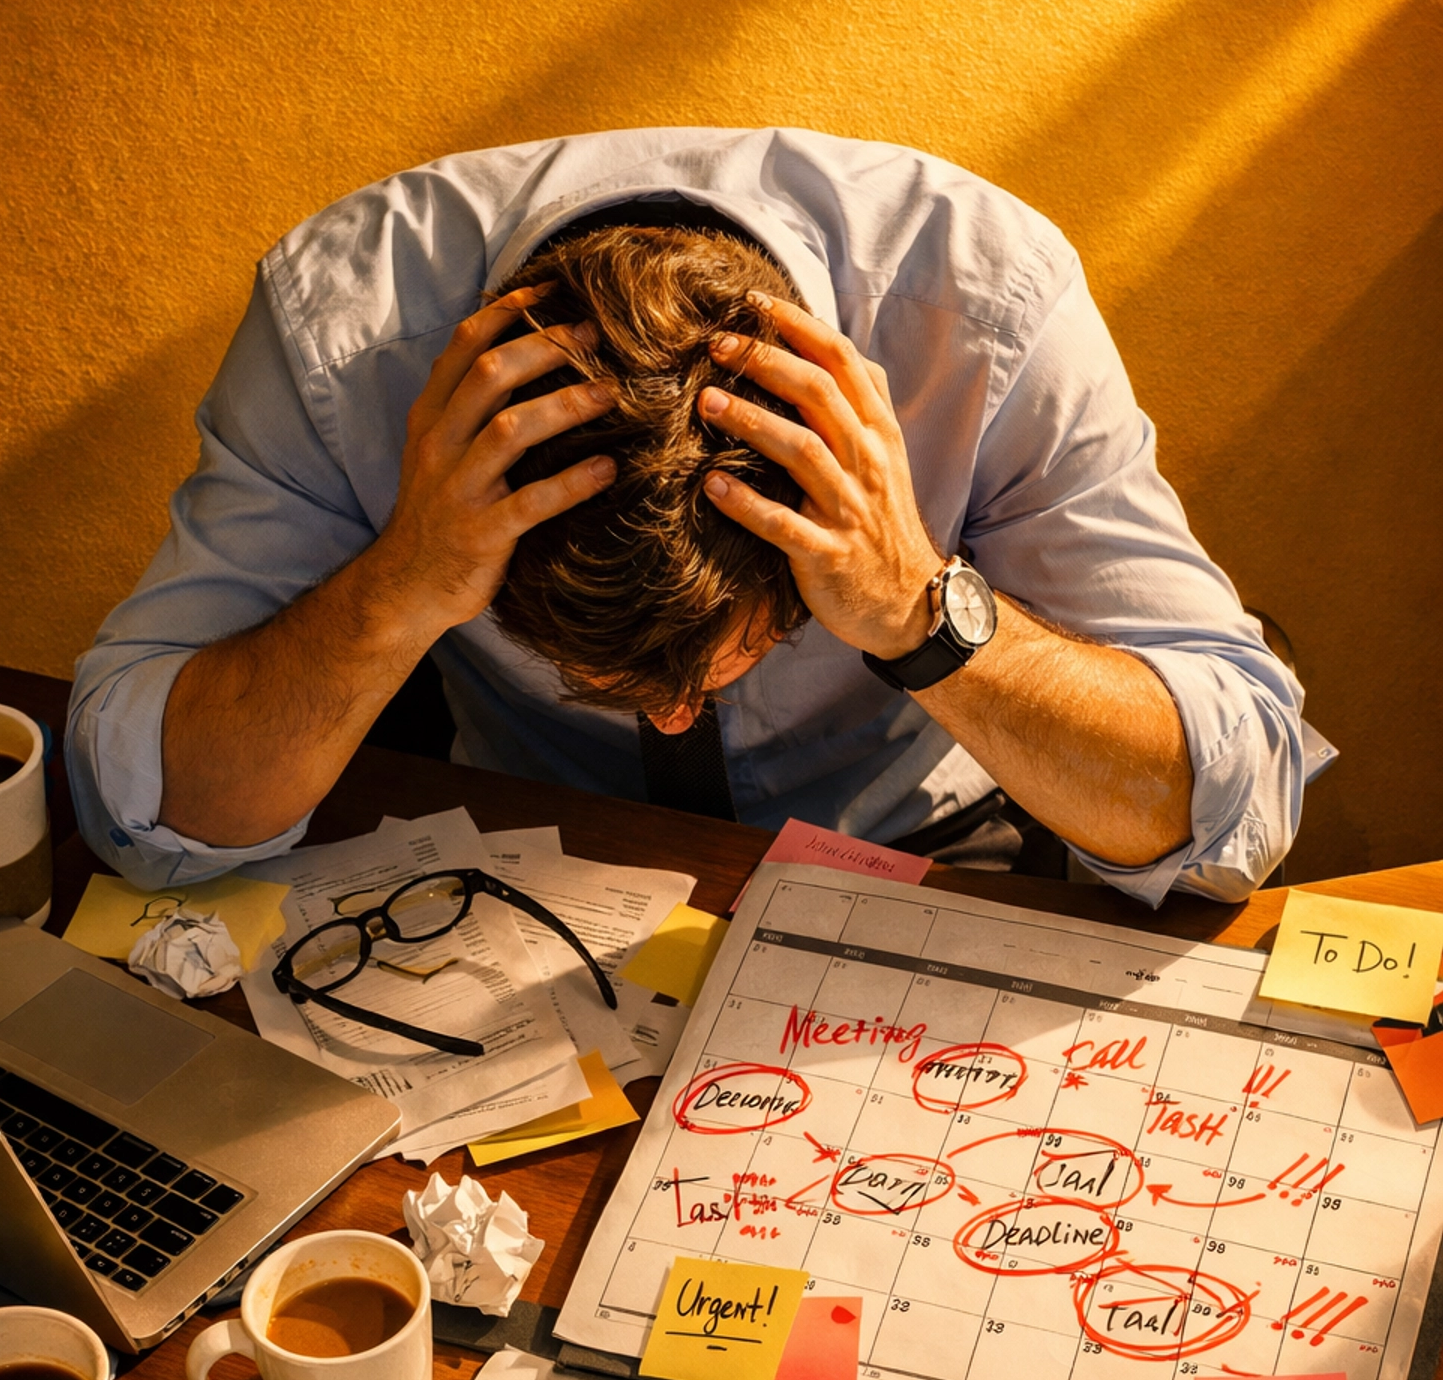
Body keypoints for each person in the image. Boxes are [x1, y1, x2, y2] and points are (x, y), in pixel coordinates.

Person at [66, 128, 1314, 906]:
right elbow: (141, 808)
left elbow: (1229, 813)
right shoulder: (339, 334)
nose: (671, 717)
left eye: (735, 658)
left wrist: (915, 610)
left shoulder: (982, 302)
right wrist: (399, 583)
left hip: (929, 865)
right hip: (525, 867)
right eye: (598, 674)